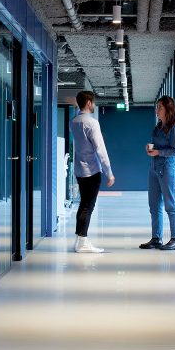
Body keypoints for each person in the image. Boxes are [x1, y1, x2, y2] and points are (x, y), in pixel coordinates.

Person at [69, 91, 114, 253]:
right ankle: (83, 242)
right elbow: (100, 150)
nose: (94, 105)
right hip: (92, 171)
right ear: (88, 102)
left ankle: (80, 239)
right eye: (93, 102)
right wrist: (109, 172)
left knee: (83, 204)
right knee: (88, 205)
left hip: (80, 170)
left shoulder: (73, 121)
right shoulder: (92, 123)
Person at [140, 95, 175, 251]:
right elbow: (157, 147)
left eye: (160, 107)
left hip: (168, 168)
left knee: (170, 204)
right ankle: (156, 238)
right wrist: (150, 148)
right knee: (154, 205)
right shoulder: (158, 127)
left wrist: (159, 152)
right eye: (157, 107)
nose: (157, 110)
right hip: (154, 168)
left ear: (168, 109)